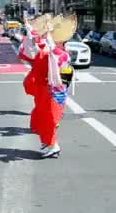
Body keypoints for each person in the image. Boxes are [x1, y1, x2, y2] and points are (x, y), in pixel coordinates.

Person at [19, 14, 75, 158]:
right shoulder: (48, 51)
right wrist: (30, 29)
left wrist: (48, 33)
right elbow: (32, 47)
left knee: (49, 120)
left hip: (54, 92)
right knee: (40, 117)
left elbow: (50, 51)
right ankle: (46, 143)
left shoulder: (62, 55)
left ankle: (53, 146)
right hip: (43, 89)